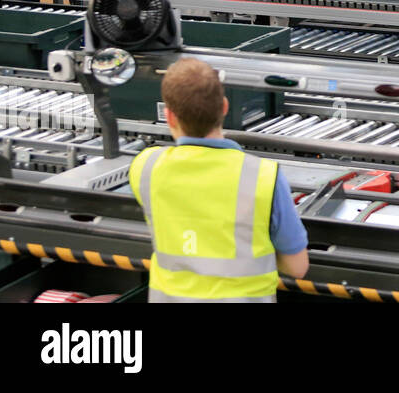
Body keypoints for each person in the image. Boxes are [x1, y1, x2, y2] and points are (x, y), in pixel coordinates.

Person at [128, 57, 309, 303]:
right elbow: (297, 267)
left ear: (169, 116)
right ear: (224, 107)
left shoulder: (146, 166)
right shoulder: (264, 176)